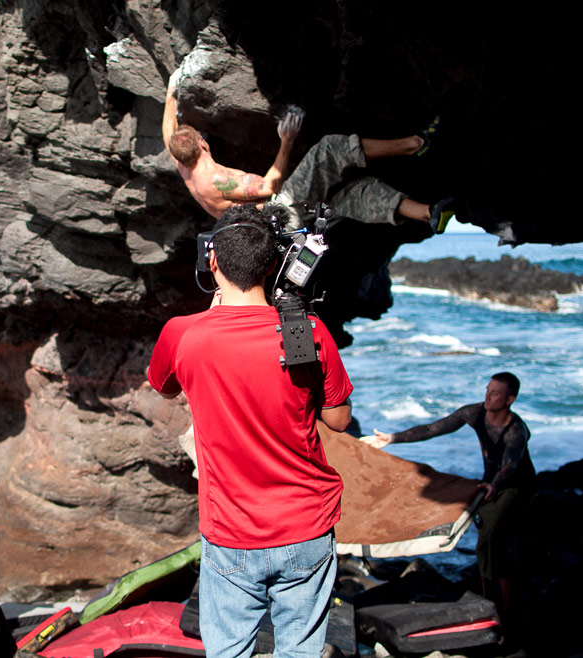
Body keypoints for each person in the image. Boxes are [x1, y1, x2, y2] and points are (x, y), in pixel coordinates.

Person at [148, 203, 354, 658]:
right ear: (274, 264)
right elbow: (339, 419)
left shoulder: (182, 334)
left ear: (213, 260)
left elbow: (165, 388)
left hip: (231, 532)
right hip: (306, 524)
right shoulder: (308, 332)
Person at [162, 68, 455, 233]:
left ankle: (428, 214)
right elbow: (268, 186)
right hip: (279, 213)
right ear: (203, 143)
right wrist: (287, 141)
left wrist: (171, 92)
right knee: (328, 150)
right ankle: (415, 144)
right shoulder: (216, 179)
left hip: (275, 230)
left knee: (348, 198)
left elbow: (168, 131)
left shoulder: (184, 162)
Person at [362, 372, 533, 613]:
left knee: (493, 542)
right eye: (487, 390)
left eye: (495, 393)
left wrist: (495, 484)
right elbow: (434, 428)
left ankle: (503, 610)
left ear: (509, 400)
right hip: (490, 483)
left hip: (515, 486)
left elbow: (510, 465)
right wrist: (392, 438)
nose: (488, 396)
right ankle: (488, 600)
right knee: (487, 544)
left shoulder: (516, 429)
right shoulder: (475, 413)